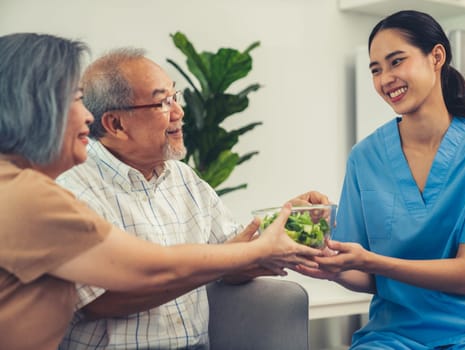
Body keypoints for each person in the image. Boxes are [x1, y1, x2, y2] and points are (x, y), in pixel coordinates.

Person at [0, 33, 322, 350]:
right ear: (37, 107)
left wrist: (284, 222)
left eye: (175, 97)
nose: (88, 116)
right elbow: (151, 268)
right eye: (75, 99)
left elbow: (220, 253)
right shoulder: (29, 195)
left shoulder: (23, 187)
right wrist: (257, 250)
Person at [297, 10, 465, 349]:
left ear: (436, 57)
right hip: (393, 335)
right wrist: (328, 262)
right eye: (376, 70)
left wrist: (370, 260)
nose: (385, 78)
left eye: (396, 62)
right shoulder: (365, 157)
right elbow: (366, 276)